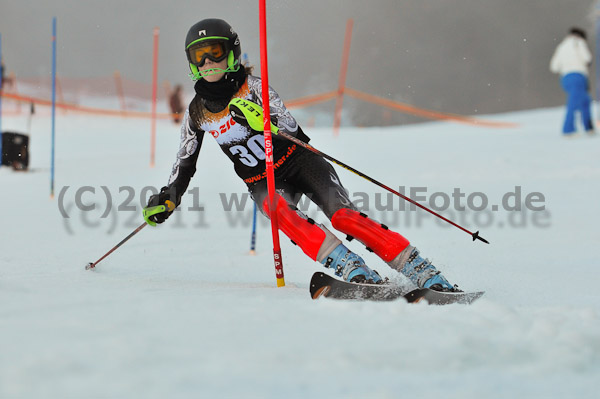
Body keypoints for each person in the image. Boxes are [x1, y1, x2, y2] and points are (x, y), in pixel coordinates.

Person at [143, 18, 459, 292]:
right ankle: (353, 269)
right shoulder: (196, 113)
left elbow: (289, 126)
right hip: (262, 179)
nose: (208, 61)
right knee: (281, 212)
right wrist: (168, 196)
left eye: (215, 52)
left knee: (344, 217)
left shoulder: (254, 87)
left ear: (232, 53)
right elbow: (184, 163)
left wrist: (263, 120)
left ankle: (422, 270)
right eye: (200, 56)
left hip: (301, 161)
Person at [550, 27, 595, 136]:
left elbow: (554, 67)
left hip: (565, 78)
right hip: (578, 76)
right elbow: (587, 58)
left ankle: (589, 128)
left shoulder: (561, 46)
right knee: (574, 103)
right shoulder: (579, 42)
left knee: (584, 101)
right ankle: (568, 129)